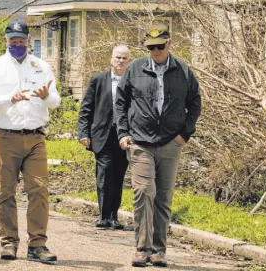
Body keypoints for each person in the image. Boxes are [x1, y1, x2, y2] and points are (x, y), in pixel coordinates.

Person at [114, 24, 201, 268]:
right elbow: (120, 102)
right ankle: (142, 249)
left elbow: (195, 103)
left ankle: (159, 251)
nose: (156, 51)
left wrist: (184, 135)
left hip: (170, 143)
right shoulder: (135, 69)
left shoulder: (182, 71)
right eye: (151, 47)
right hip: (140, 143)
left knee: (163, 198)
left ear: (169, 44)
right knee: (143, 193)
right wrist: (123, 133)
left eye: (160, 46)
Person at [0, 19, 60, 264]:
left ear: (28, 40)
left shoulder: (41, 66)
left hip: (35, 137)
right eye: (12, 40)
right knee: (5, 191)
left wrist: (46, 96)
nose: (16, 43)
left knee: (39, 190)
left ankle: (37, 244)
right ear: (6, 40)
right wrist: (8, 99)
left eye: (20, 40)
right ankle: (8, 242)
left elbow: (55, 100)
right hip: (6, 137)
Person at [78, 45, 131, 229]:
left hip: (124, 137)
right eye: (117, 57)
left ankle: (114, 217)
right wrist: (84, 132)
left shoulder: (133, 81)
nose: (120, 61)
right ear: (111, 59)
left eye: (124, 58)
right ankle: (103, 215)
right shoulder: (98, 80)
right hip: (102, 135)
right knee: (104, 174)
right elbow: (86, 108)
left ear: (129, 61)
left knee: (118, 176)